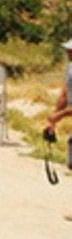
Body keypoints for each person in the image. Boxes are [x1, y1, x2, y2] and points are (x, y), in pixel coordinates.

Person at [46, 38, 72, 168]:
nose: (68, 53)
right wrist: (53, 118)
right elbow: (65, 94)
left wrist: (61, 114)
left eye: (71, 50)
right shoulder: (70, 68)